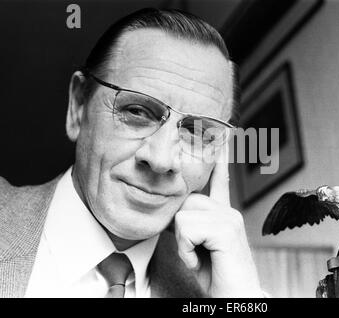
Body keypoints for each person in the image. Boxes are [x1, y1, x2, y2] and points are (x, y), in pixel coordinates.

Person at [0, 8, 264, 298]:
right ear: (78, 107)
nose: (161, 160)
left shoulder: (215, 289)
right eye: (137, 111)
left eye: (198, 132)